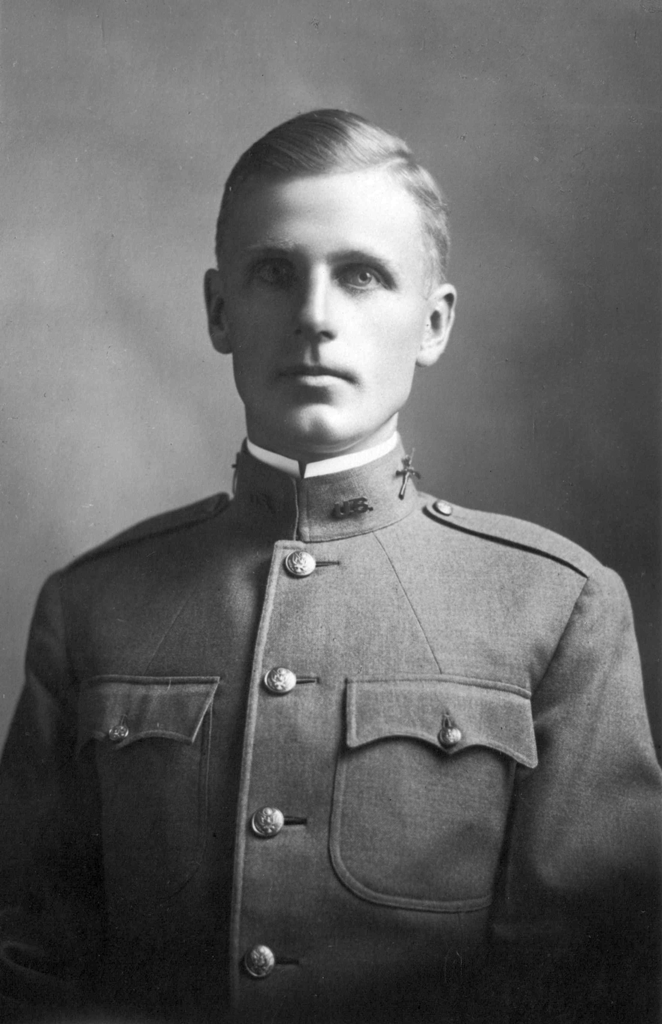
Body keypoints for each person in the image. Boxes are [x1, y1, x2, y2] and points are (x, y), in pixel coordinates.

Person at [0, 109, 659, 1024]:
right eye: (276, 273)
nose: (314, 316)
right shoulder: (92, 607)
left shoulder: (555, 607)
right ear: (219, 312)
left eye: (362, 275)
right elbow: (30, 965)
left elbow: (599, 980)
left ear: (433, 323)